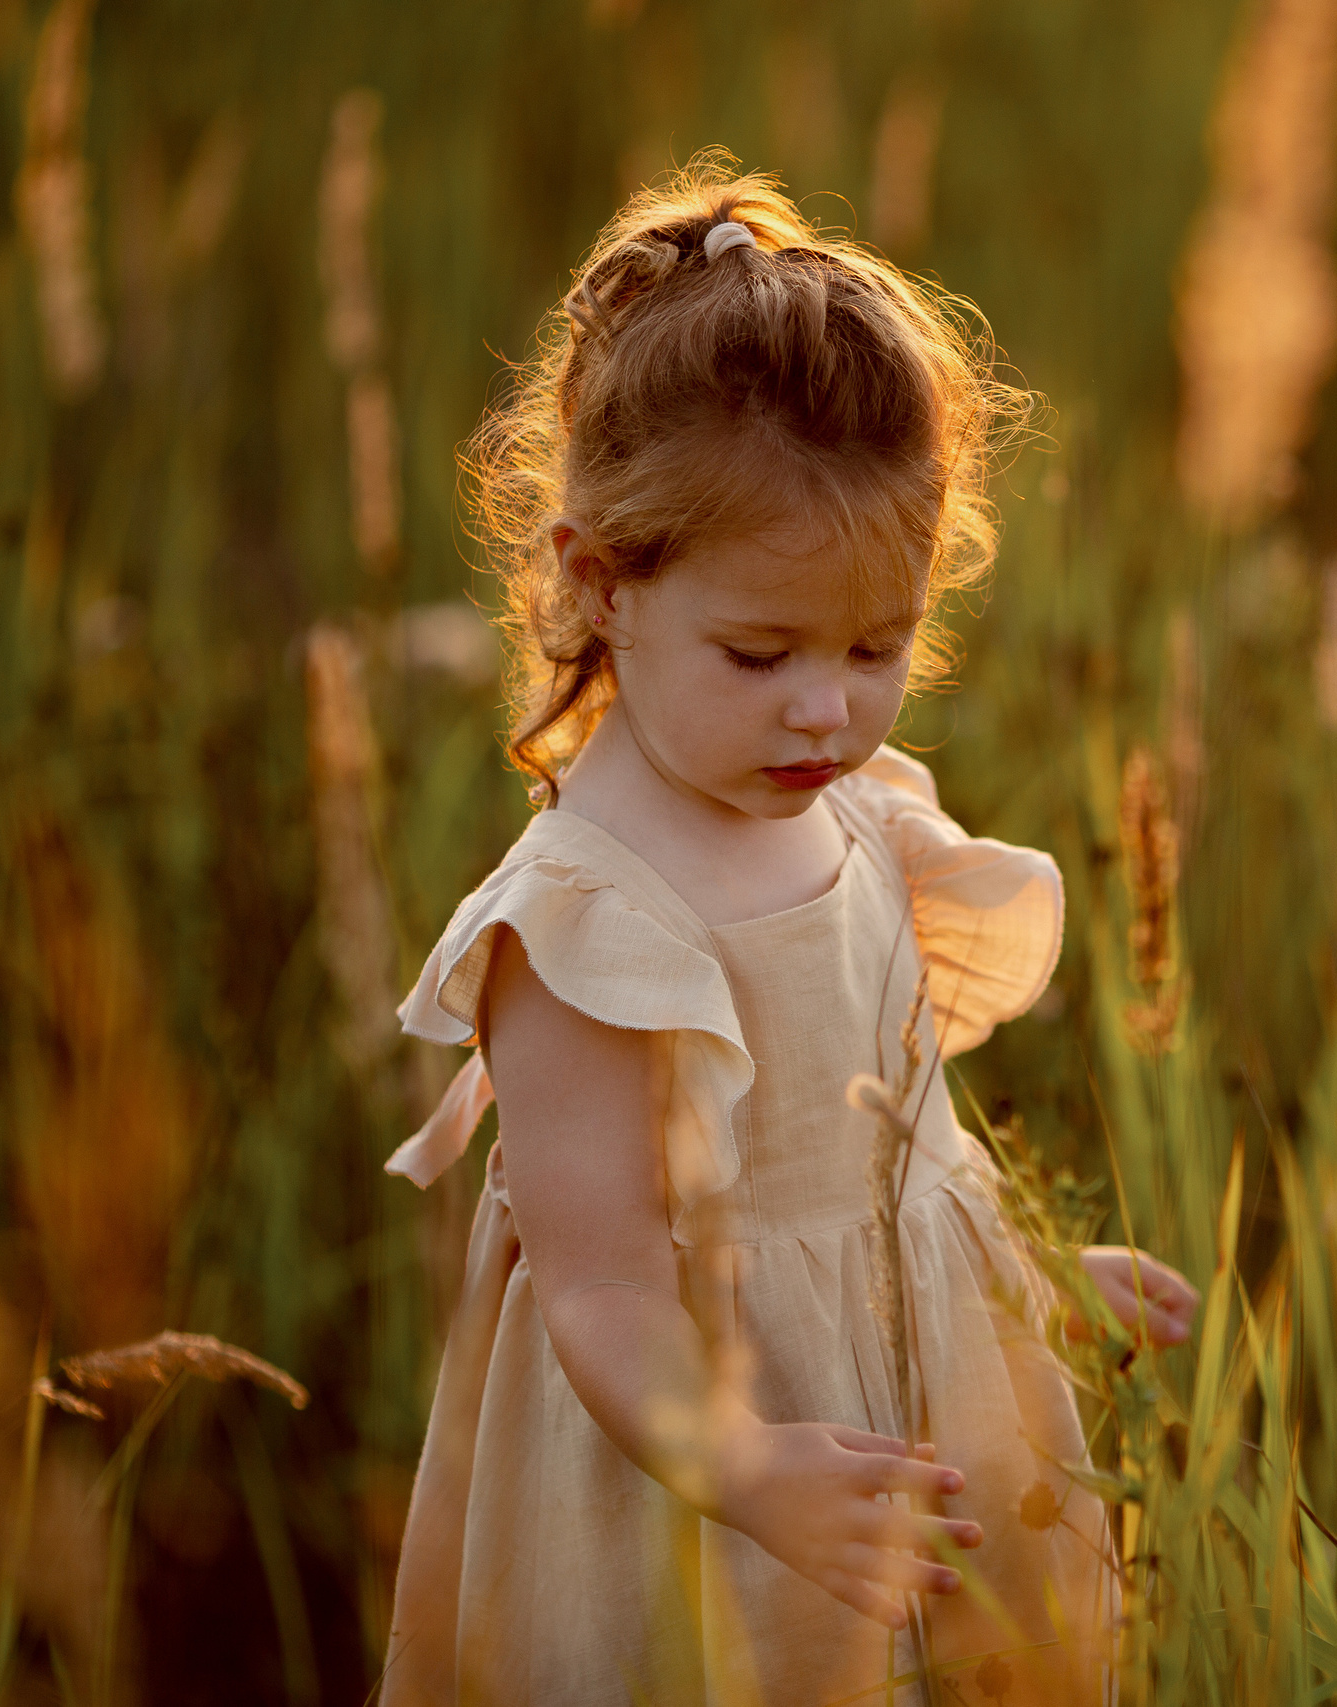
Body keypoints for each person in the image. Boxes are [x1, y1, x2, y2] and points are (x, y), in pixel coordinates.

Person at [375, 159, 1199, 1706]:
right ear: (598, 585)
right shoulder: (587, 931)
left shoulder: (867, 817)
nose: (827, 708)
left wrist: (1026, 1278)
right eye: (760, 654)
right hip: (698, 1494)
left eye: (878, 646)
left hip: (919, 1447)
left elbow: (898, 1155)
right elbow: (602, 1293)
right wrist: (747, 1471)